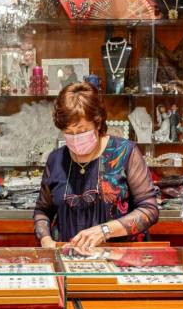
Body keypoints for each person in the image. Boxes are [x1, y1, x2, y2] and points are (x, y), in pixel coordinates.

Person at [33, 82, 159, 248]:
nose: (76, 138)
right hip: (68, 258)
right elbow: (43, 211)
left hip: (118, 260)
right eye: (69, 133)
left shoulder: (125, 153)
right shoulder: (56, 159)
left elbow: (149, 210)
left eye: (83, 131)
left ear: (98, 123)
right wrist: (46, 240)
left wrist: (105, 230)